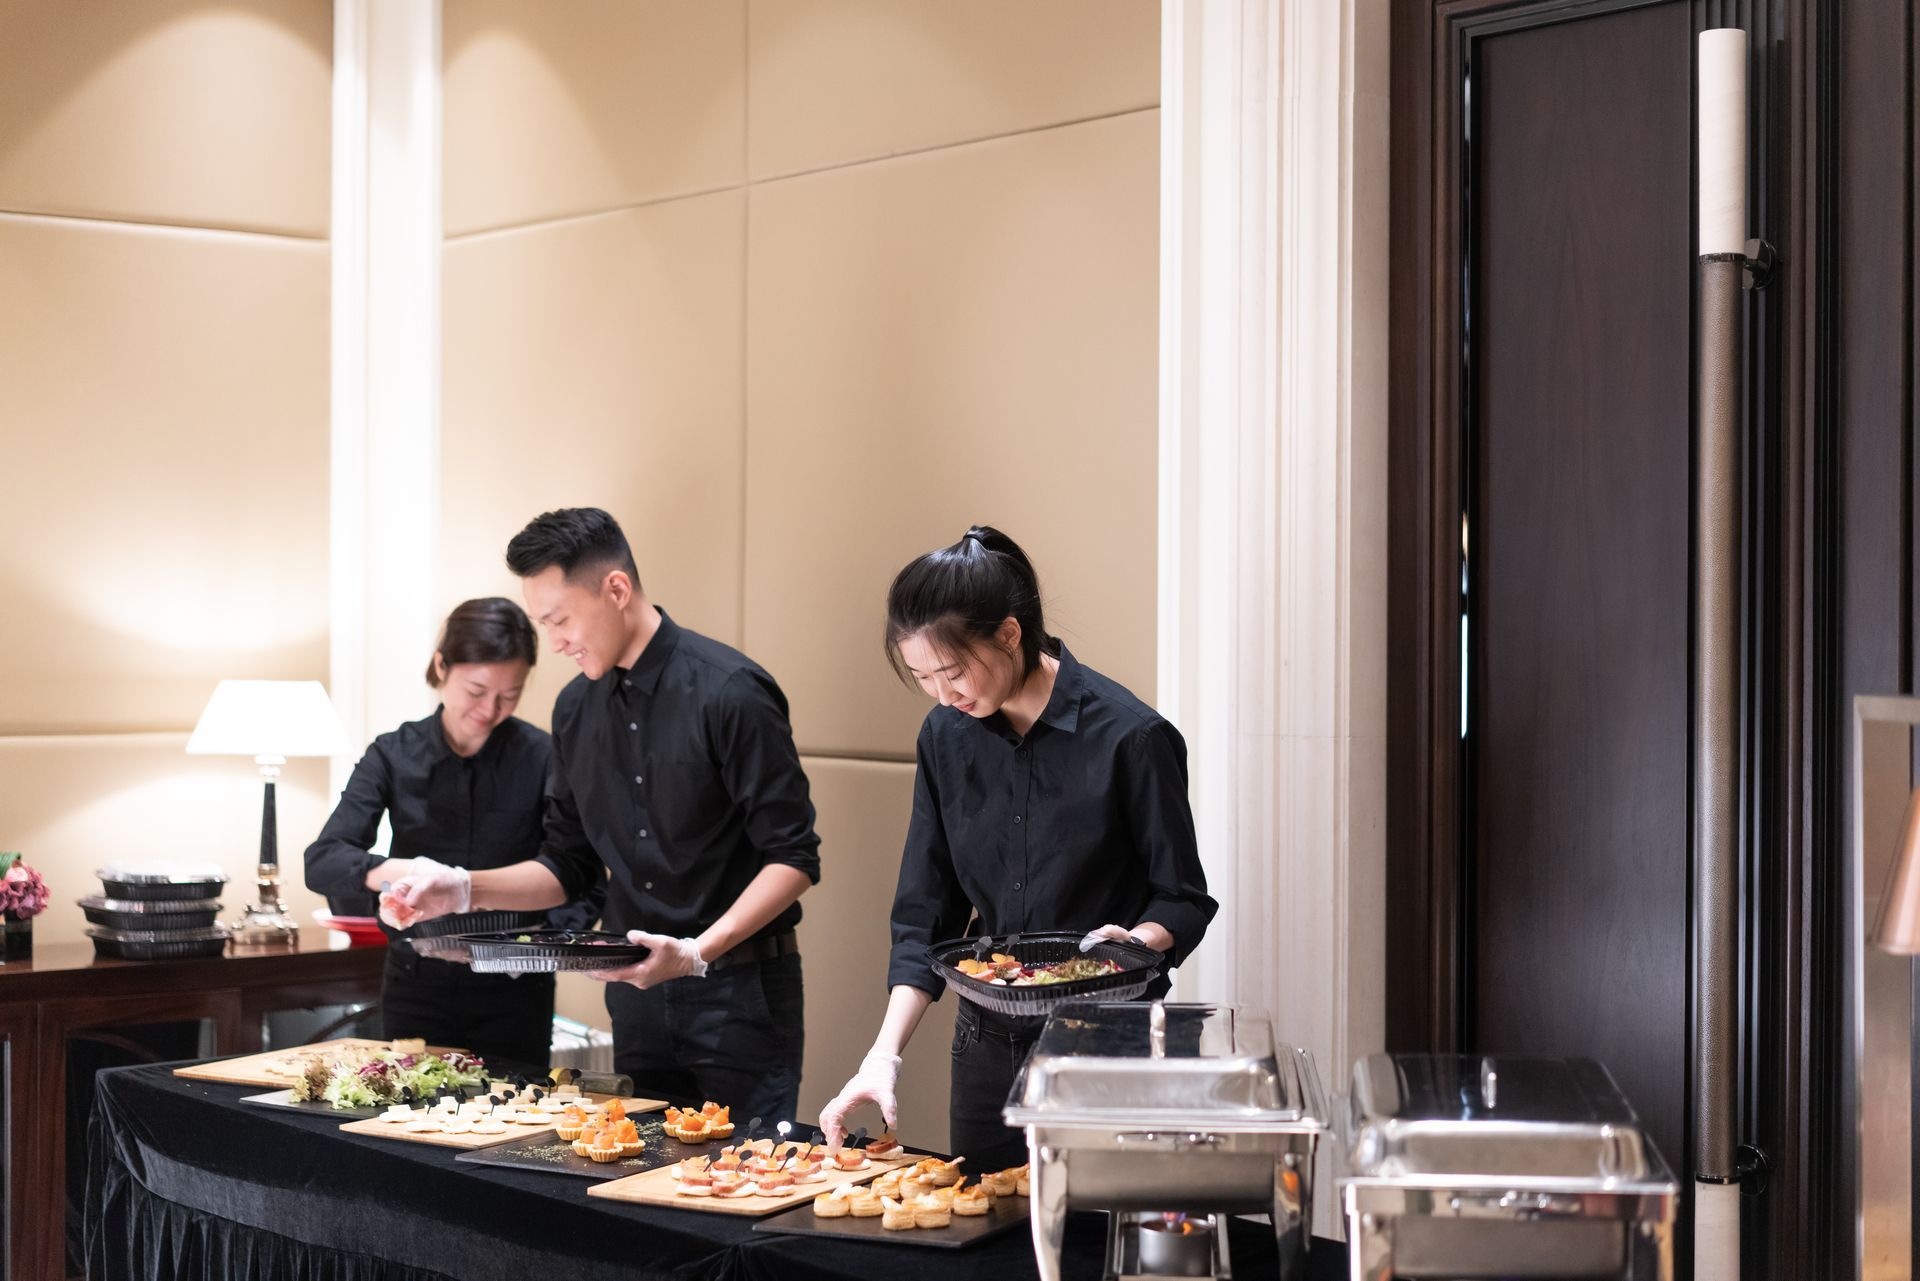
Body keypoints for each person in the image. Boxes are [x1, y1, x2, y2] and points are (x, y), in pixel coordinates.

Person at [383, 508, 820, 1123]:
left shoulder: (731, 692)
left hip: (738, 993)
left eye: (559, 619)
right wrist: (460, 888)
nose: (555, 641)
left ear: (616, 589)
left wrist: (696, 952)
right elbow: (567, 864)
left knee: (742, 1187)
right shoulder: (574, 709)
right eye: (544, 623)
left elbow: (793, 856)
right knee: (639, 1187)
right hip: (634, 995)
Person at [818, 526, 1217, 1168]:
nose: (944, 695)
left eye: (952, 672)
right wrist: (881, 1058)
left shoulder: (1133, 738)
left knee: (1088, 1243)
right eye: (923, 677)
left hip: (1106, 1037)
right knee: (985, 1230)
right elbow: (926, 915)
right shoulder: (945, 737)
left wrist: (1138, 941)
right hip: (987, 1039)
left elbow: (1184, 898)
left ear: (1009, 634)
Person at [304, 597, 591, 1069]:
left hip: (516, 990)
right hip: (417, 984)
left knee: (516, 1125)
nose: (489, 709)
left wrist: (545, 946)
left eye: (509, 694)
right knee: (408, 1122)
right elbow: (324, 860)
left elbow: (581, 876)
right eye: (476, 690)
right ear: (442, 666)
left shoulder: (544, 757)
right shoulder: (393, 753)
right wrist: (402, 872)